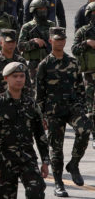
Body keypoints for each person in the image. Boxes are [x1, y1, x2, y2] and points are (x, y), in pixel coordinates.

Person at [36, 27, 91, 195]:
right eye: (56, 39)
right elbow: (39, 93)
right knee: (56, 149)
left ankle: (74, 163)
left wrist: (82, 107)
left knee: (85, 129)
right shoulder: (44, 65)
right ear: (50, 41)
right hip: (53, 111)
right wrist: (42, 116)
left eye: (62, 39)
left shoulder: (73, 62)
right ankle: (59, 183)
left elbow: (81, 88)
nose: (60, 42)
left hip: (72, 108)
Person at [0, 61, 49, 198]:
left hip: (28, 158)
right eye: (15, 76)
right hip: (5, 160)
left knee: (36, 191)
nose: (19, 79)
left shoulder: (30, 103)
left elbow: (40, 134)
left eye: (22, 76)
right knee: (6, 195)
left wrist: (45, 161)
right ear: (6, 79)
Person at [0, 29, 31, 98]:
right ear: (1, 43)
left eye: (13, 42)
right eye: (8, 42)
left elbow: (27, 87)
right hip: (0, 103)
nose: (11, 45)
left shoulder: (21, 61)